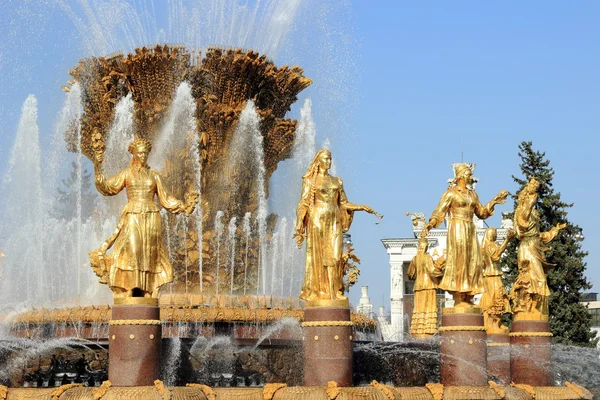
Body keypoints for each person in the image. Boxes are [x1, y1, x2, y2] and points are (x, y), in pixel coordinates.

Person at [90, 137, 197, 298]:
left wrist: (183, 206)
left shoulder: (154, 176)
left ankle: (148, 288)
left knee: (149, 251)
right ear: (133, 154)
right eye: (140, 153)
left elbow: (166, 198)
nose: (143, 156)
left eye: (145, 153)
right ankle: (132, 286)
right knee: (133, 248)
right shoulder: (126, 174)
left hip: (152, 216)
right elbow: (107, 187)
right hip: (132, 214)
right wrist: (97, 166)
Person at [293, 150, 378, 302]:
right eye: (325, 159)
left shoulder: (337, 181)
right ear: (318, 161)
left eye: (330, 159)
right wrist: (300, 220)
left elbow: (344, 203)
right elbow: (303, 203)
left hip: (334, 220)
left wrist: (361, 207)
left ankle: (335, 289)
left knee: (336, 255)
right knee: (319, 256)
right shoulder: (310, 181)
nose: (329, 162)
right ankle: (319, 292)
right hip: (317, 220)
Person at [420, 163, 508, 307]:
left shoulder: (473, 194)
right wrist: (431, 224)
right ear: (460, 176)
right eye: (468, 174)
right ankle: (458, 294)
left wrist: (495, 201)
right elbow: (439, 212)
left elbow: (481, 213)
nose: (470, 177)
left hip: (470, 229)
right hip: (457, 228)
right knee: (459, 259)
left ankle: (468, 293)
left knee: (471, 260)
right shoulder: (451, 193)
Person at [510, 177, 565, 317]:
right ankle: (527, 309)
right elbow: (522, 225)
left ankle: (535, 309)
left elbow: (539, 235)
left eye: (536, 190)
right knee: (533, 278)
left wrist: (554, 230)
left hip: (534, 245)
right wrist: (529, 203)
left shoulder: (534, 212)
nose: (535, 194)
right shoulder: (522, 210)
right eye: (533, 190)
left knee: (537, 279)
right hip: (526, 247)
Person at [407, 238, 445, 337]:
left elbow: (410, 274)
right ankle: (428, 331)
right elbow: (432, 270)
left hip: (418, 286)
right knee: (429, 308)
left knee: (419, 308)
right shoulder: (427, 257)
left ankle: (418, 330)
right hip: (428, 285)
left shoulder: (414, 259)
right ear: (426, 247)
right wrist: (442, 274)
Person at [480, 227, 514, 333]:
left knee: (498, 297)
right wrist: (507, 240)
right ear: (490, 234)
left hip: (492, 275)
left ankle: (497, 323)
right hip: (492, 276)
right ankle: (491, 324)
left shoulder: (486, 246)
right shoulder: (489, 245)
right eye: (493, 233)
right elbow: (496, 255)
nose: (495, 235)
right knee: (495, 298)